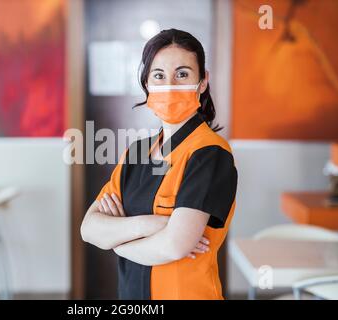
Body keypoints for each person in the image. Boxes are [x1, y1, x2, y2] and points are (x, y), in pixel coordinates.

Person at [81, 29, 238, 300]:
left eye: (182, 74)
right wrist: (150, 225)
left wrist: (117, 242)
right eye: (159, 75)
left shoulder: (210, 154)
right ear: (147, 83)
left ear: (203, 82)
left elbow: (175, 246)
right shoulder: (136, 152)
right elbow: (89, 229)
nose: (170, 85)